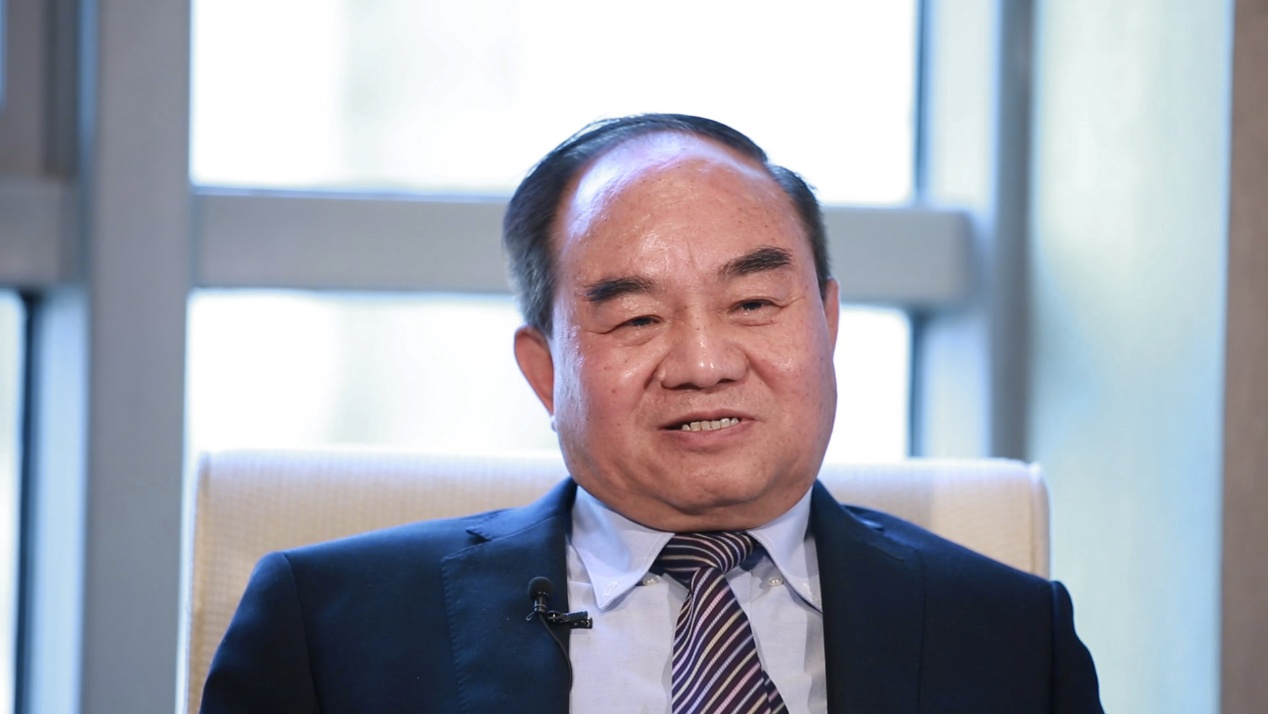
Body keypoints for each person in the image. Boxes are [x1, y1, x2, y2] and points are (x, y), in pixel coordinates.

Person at [201, 114, 1103, 713]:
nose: (705, 365)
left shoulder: (1014, 640)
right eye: (636, 319)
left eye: (754, 304)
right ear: (545, 369)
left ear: (828, 324)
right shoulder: (329, 630)